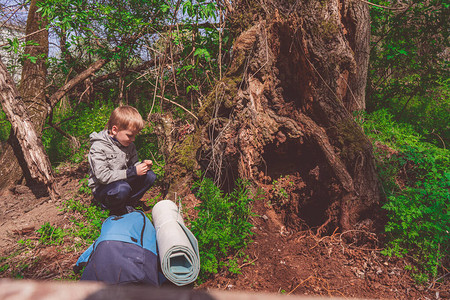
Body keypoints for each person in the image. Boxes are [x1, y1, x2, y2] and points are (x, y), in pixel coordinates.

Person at [88, 106, 156, 215]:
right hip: (104, 188)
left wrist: (143, 166)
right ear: (115, 130)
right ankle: (112, 207)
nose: (133, 139)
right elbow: (102, 177)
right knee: (121, 188)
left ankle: (128, 203)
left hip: (122, 182)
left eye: (135, 136)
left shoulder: (129, 145)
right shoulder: (98, 147)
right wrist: (133, 172)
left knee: (150, 176)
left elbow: (134, 164)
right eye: (130, 135)